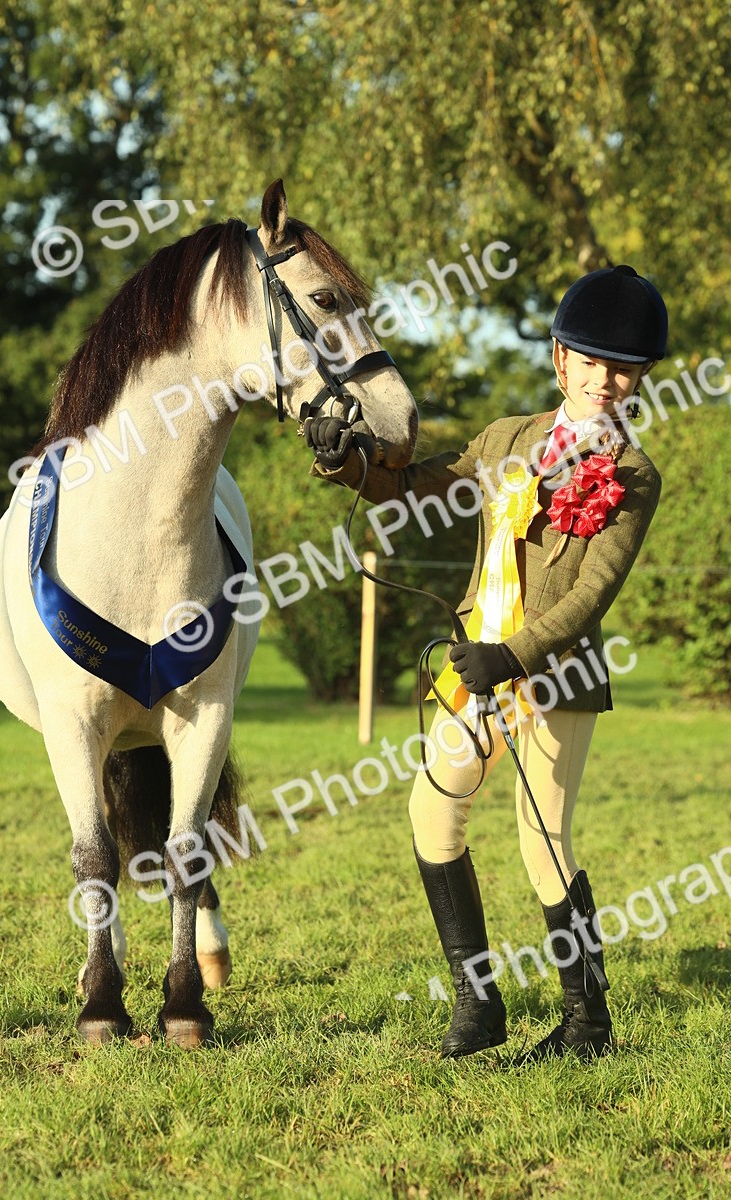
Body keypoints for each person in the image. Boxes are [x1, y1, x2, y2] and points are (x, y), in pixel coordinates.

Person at [303, 265, 668, 1062]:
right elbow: (411, 489)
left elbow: (592, 595)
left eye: (623, 366)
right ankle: (478, 1001)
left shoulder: (633, 474)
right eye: (592, 360)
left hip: (550, 673)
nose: (607, 378)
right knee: (431, 814)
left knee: (544, 841)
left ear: (637, 376)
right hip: (472, 662)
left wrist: (515, 654)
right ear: (560, 360)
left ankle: (587, 1024)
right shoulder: (505, 438)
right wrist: (344, 459)